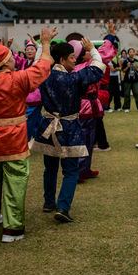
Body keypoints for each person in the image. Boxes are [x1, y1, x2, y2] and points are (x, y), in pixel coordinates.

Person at [0, 27, 55, 243]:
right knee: (16, 179)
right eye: (10, 58)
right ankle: (12, 228)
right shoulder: (18, 79)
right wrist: (45, 43)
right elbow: (44, 67)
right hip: (14, 137)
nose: (13, 61)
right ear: (4, 63)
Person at [30, 39, 105, 222]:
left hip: (48, 125)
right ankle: (62, 207)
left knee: (50, 167)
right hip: (69, 127)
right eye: (72, 57)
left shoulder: (44, 75)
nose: (75, 61)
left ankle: (49, 202)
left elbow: (35, 65)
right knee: (71, 170)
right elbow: (97, 70)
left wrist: (41, 45)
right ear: (62, 60)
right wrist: (93, 50)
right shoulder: (75, 78)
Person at [69, 21, 118, 180]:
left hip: (83, 105)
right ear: (82, 55)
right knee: (84, 139)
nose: (92, 51)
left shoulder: (73, 68)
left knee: (88, 139)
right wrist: (111, 35)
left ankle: (85, 168)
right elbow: (104, 53)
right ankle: (80, 171)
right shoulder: (88, 65)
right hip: (86, 106)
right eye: (88, 50)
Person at [9, 36, 45, 141]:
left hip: (35, 97)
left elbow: (43, 55)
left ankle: (25, 141)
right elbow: (13, 57)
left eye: (32, 49)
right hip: (27, 96)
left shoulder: (37, 62)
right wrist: (9, 46)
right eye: (27, 49)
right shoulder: (23, 62)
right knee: (38, 121)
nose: (29, 51)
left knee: (28, 121)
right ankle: (41, 140)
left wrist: (38, 45)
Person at [121, 48, 138, 112]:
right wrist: (127, 67)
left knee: (136, 93)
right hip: (127, 80)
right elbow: (123, 71)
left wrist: (136, 69)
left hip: (135, 80)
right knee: (127, 94)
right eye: (130, 52)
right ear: (128, 54)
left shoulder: (136, 61)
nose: (131, 53)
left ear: (134, 53)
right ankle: (126, 107)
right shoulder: (126, 61)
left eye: (132, 52)